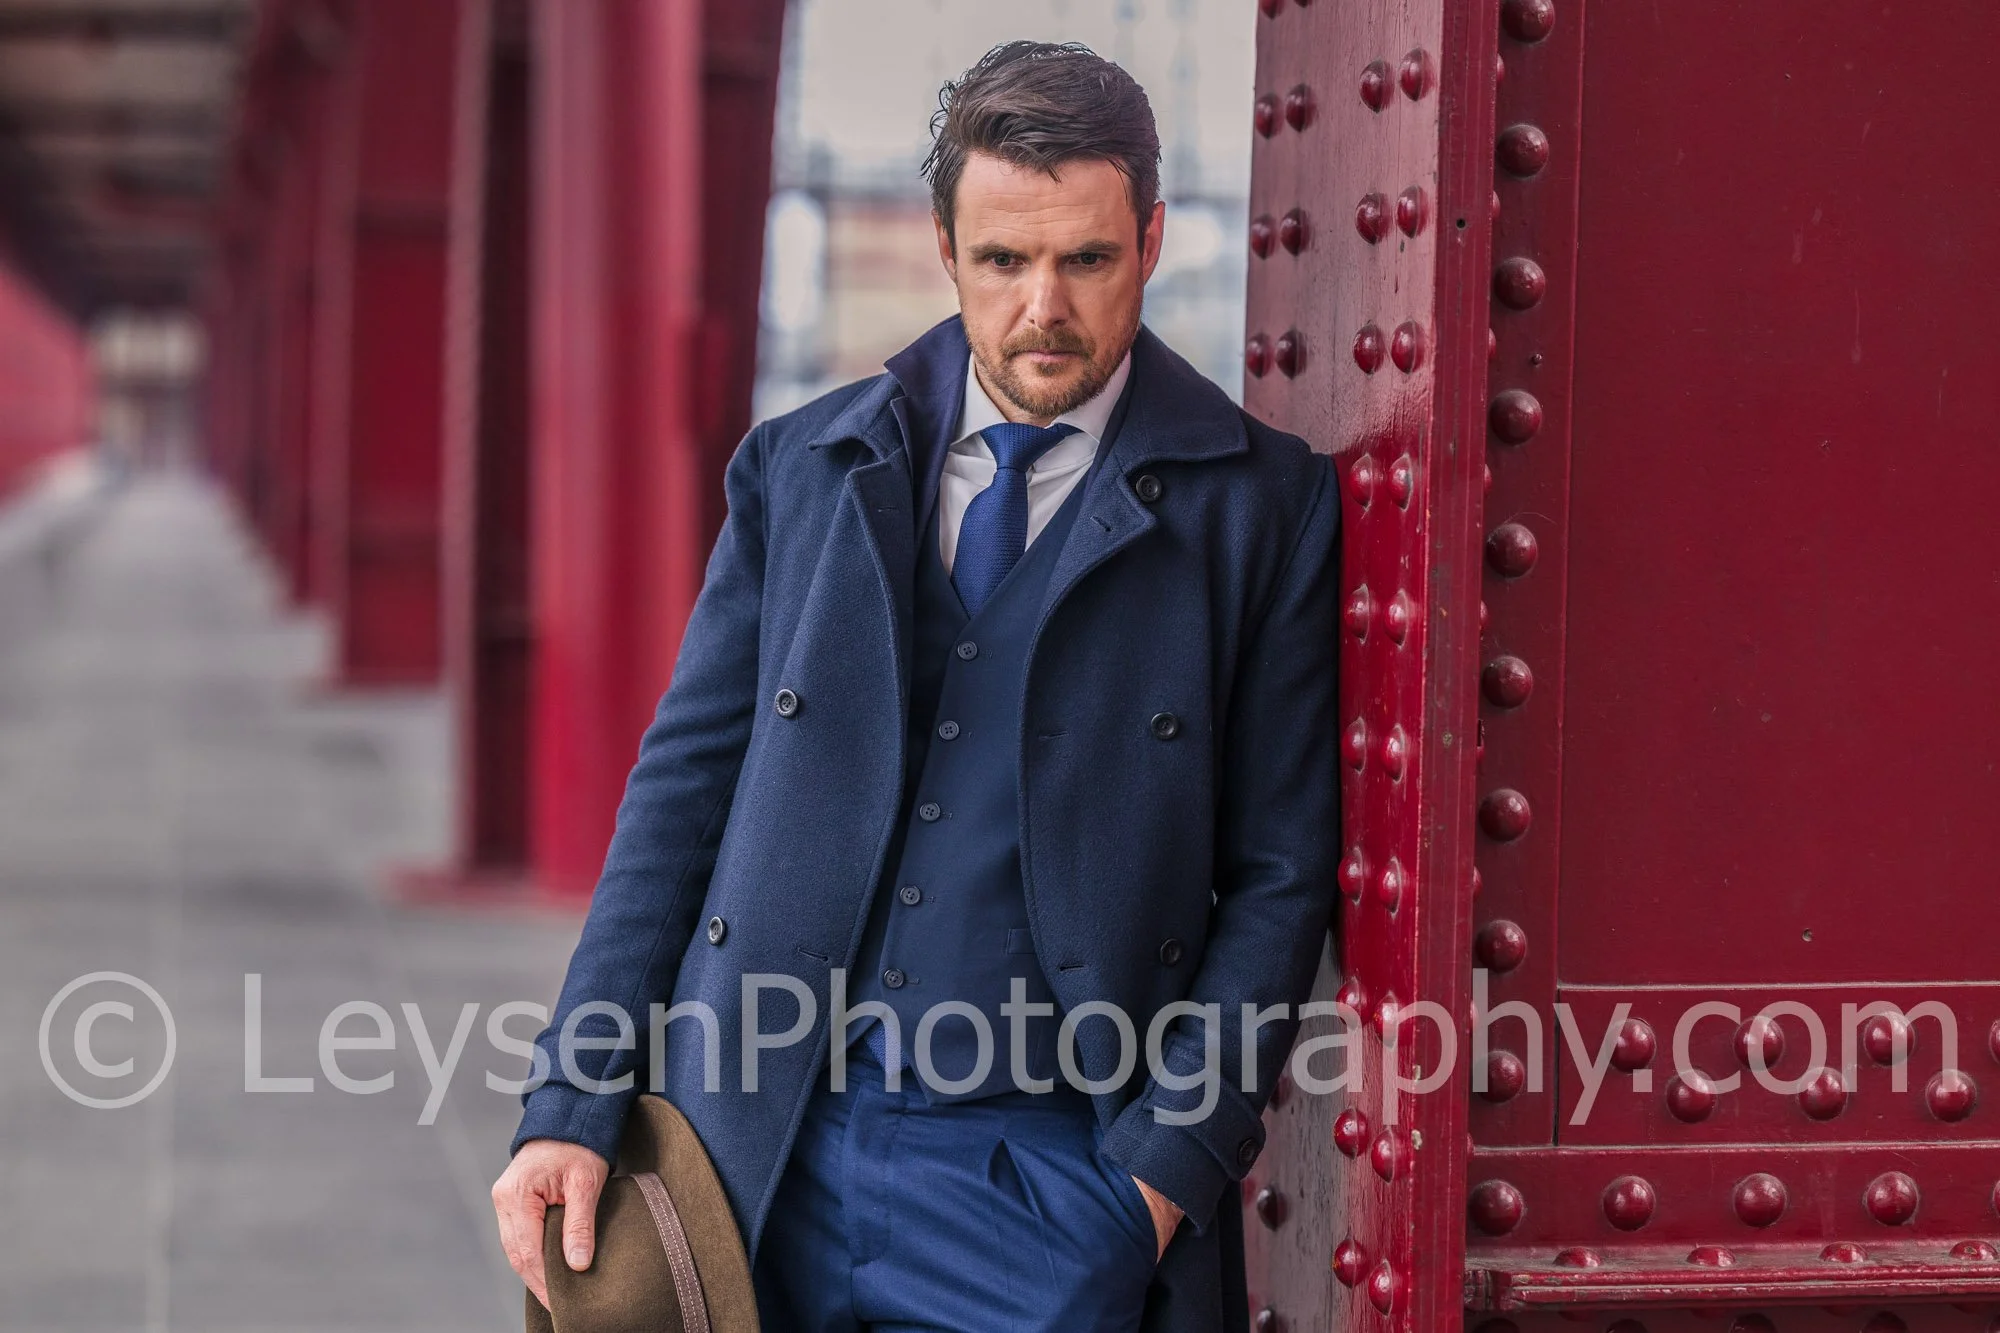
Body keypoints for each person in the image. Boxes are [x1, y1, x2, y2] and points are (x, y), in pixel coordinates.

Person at [492, 39, 1340, 1333]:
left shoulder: (1262, 509)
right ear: (945, 245)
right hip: (760, 1160)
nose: (1042, 307)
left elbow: (1280, 875)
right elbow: (679, 799)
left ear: (1152, 240)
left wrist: (1155, 1186)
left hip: (1049, 1192)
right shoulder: (804, 469)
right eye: (1004, 261)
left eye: (1087, 259)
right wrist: (571, 1099)